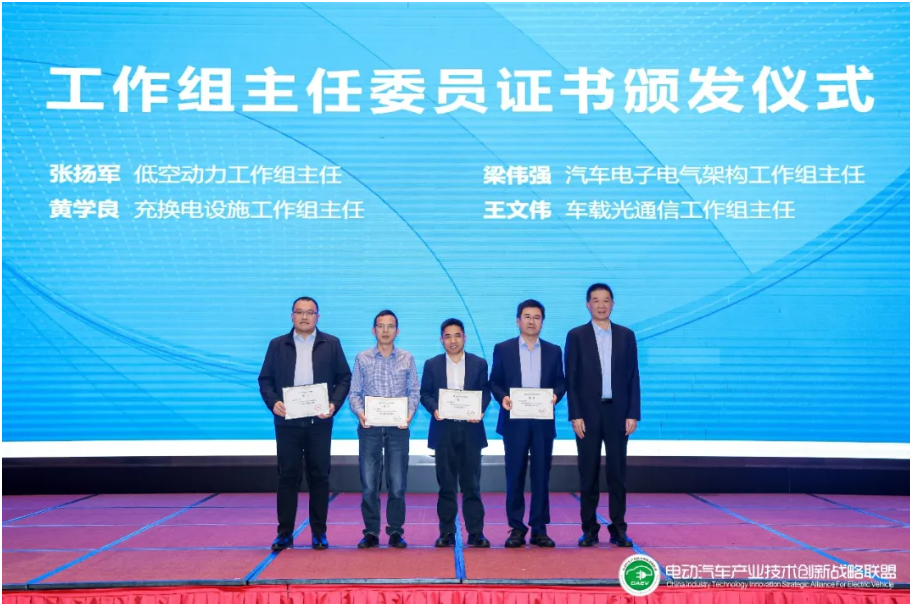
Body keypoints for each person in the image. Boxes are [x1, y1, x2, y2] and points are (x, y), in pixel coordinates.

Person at [258, 296, 352, 551]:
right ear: (292, 316)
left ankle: (319, 533)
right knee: (287, 476)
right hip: (287, 422)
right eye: (299, 312)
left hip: (319, 422)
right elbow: (265, 380)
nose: (304, 317)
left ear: (317, 317)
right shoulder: (277, 345)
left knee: (319, 476)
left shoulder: (331, 344)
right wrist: (274, 402)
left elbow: (344, 377)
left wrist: (333, 404)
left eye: (310, 312)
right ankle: (284, 533)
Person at [565, 283, 641, 548]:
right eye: (595, 300)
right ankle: (589, 529)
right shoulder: (576, 335)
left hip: (618, 413)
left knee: (617, 473)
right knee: (588, 473)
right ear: (588, 304)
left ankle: (618, 528)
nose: (601, 305)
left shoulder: (626, 335)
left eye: (606, 300)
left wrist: (633, 413)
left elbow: (633, 376)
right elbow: (571, 378)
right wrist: (575, 414)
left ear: (613, 304)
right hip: (587, 414)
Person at [490, 299, 566, 548]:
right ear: (518, 320)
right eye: (527, 316)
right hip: (515, 421)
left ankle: (539, 528)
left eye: (536, 317)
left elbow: (561, 381)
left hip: (542, 421)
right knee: (515, 475)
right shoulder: (503, 349)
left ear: (542, 322)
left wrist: (556, 395)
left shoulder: (554, 350)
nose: (532, 321)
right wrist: (503, 397)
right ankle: (516, 527)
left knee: (541, 475)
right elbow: (494, 381)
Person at [348, 310, 419, 548]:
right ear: (373, 330)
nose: (385, 330)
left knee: (397, 484)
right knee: (369, 485)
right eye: (381, 326)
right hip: (370, 428)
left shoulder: (407, 358)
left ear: (397, 331)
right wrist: (361, 413)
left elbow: (414, 392)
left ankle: (396, 531)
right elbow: (354, 393)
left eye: (390, 326)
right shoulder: (362, 358)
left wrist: (409, 414)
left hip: (398, 428)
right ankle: (371, 531)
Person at [420, 318, 492, 548]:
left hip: (471, 430)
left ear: (465, 338)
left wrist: (480, 409)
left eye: (457, 335)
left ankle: (476, 533)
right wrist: (435, 409)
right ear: (441, 340)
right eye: (448, 336)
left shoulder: (479, 363)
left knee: (472, 485)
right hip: (444, 430)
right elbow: (425, 393)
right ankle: (447, 532)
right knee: (446, 486)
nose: (453, 340)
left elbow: (485, 392)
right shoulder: (432, 364)